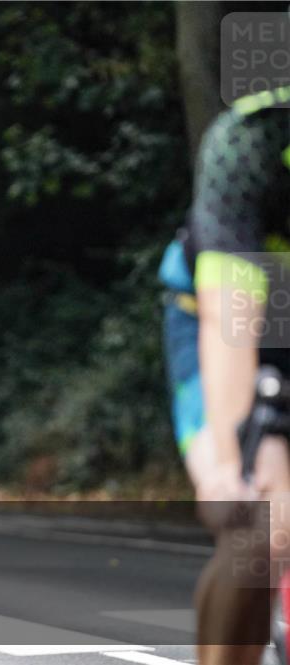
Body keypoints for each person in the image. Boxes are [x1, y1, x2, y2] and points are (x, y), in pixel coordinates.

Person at [159, 85, 290, 665]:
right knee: (260, 528)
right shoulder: (252, 143)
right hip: (226, 318)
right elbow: (230, 319)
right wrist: (236, 466)